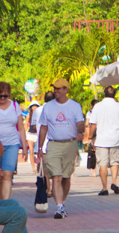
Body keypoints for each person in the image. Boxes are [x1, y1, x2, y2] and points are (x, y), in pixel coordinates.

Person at [35, 79, 84, 219]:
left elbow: (80, 123)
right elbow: (43, 127)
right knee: (56, 176)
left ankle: (62, 202)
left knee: (66, 178)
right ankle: (59, 207)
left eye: (58, 88)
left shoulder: (74, 106)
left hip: (70, 144)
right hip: (53, 144)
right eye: (54, 88)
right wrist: (40, 147)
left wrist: (81, 131)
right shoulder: (48, 107)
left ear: (65, 90)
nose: (55, 91)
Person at [86, 86, 119, 195]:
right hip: (116, 138)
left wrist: (90, 137)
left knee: (103, 164)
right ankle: (114, 182)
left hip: (102, 139)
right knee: (115, 162)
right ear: (114, 95)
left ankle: (104, 188)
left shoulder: (97, 106)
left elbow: (93, 124)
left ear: (104, 95)